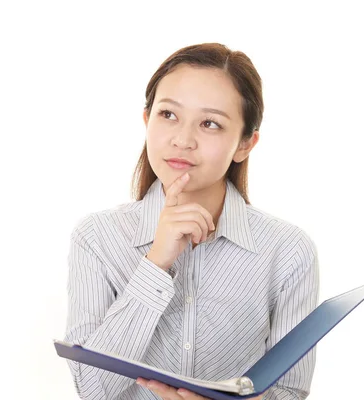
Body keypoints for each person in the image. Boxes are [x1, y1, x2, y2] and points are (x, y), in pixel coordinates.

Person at [63, 42, 320, 400]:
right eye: (168, 115)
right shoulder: (97, 237)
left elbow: (291, 391)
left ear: (245, 144)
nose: (183, 140)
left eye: (210, 124)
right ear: (146, 119)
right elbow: (93, 389)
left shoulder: (287, 250)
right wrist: (156, 263)